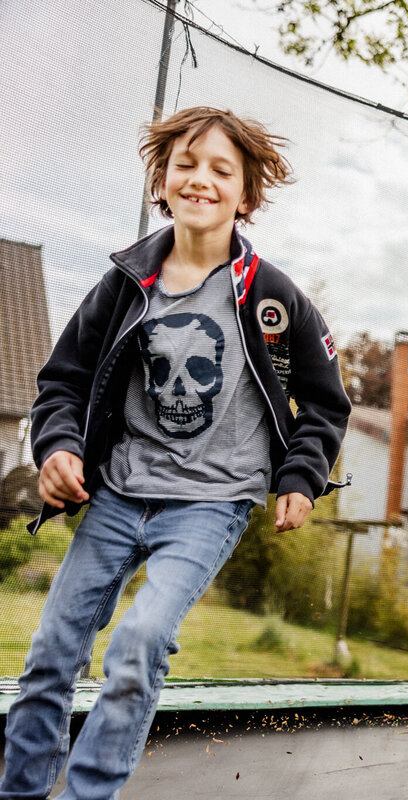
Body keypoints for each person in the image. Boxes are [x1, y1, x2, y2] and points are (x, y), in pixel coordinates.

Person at [1, 107, 351, 800]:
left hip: (210, 504)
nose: (201, 180)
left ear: (245, 196)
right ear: (160, 182)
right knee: (50, 654)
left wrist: (302, 478)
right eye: (186, 165)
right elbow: (62, 382)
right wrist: (60, 446)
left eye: (222, 170)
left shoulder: (273, 299)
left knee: (140, 644)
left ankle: (88, 794)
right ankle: (20, 791)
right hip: (118, 492)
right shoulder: (125, 283)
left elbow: (325, 401)